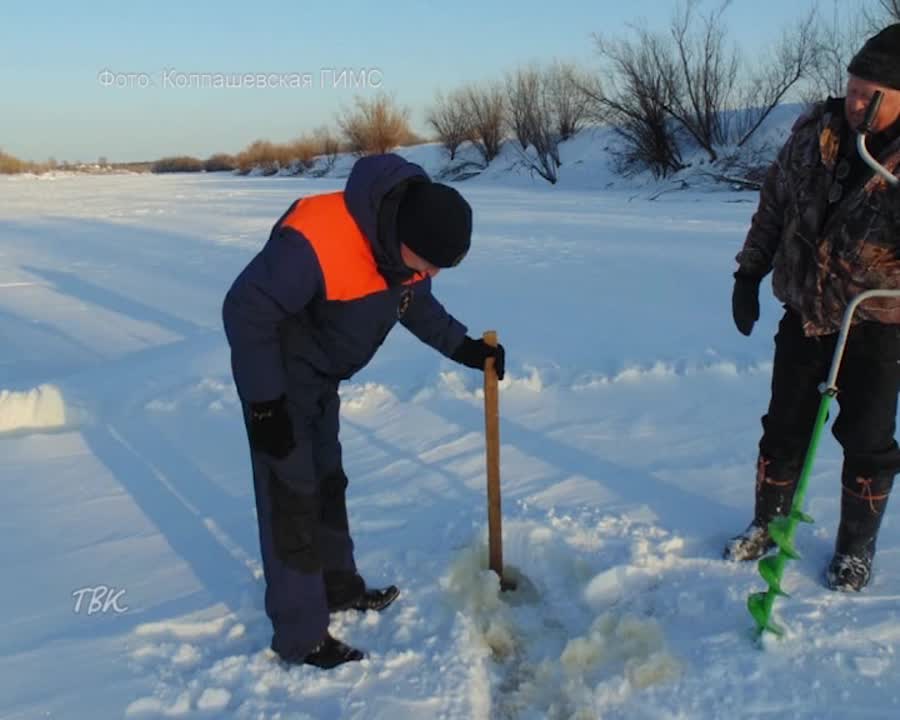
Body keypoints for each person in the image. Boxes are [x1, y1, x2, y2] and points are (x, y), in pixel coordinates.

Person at [222, 153, 505, 667]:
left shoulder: (403, 248)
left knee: (328, 482)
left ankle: (337, 588)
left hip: (320, 378)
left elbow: (415, 303)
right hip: (278, 381)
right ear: (403, 237)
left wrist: (465, 349)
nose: (432, 273)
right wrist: (265, 407)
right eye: (429, 262)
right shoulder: (315, 240)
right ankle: (301, 635)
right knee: (291, 500)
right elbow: (245, 310)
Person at [724, 25, 900, 592]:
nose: (853, 102)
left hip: (876, 324)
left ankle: (854, 550)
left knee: (869, 440)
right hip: (805, 312)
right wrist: (749, 272)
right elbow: (774, 203)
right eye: (851, 88)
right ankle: (767, 526)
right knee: (783, 426)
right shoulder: (814, 134)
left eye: (867, 93)